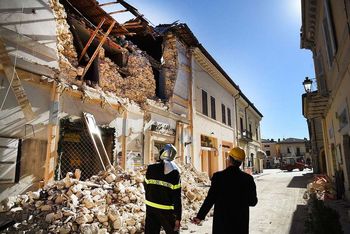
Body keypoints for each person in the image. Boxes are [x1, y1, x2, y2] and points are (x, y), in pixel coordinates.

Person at [192, 147, 258, 234]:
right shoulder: (248, 179)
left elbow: (210, 199)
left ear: (229, 159)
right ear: (241, 162)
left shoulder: (218, 177)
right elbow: (253, 202)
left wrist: (200, 216)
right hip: (240, 225)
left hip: (222, 225)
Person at [144, 144, 182, 234]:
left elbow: (146, 186)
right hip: (167, 211)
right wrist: (178, 217)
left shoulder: (151, 168)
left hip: (151, 208)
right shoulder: (174, 172)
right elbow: (177, 197)